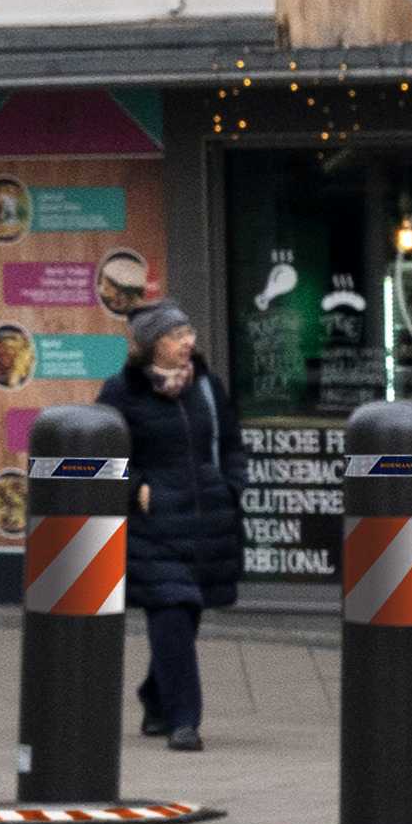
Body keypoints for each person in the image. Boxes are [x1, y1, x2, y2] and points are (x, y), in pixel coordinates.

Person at [118, 304, 242, 756]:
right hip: (154, 525)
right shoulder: (122, 392)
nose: (187, 340)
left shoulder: (207, 387)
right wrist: (135, 490)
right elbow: (103, 455)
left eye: (188, 330)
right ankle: (184, 721)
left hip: (206, 519)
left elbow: (231, 442)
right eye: (175, 335)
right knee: (170, 611)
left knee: (187, 617)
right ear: (153, 346)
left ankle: (154, 697)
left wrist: (231, 486)